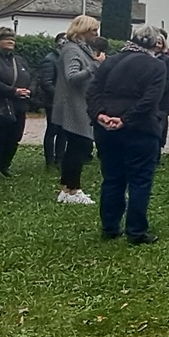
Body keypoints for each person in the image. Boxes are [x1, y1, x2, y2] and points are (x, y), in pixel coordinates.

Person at [87, 24, 168, 244]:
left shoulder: (110, 61)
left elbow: (93, 91)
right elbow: (150, 99)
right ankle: (136, 231)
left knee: (112, 178)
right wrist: (125, 119)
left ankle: (110, 227)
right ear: (154, 43)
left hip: (106, 128)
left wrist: (100, 115)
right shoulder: (156, 65)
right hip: (140, 129)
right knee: (140, 181)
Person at [53, 14, 103, 205]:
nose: (96, 34)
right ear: (82, 31)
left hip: (81, 103)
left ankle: (67, 189)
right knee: (78, 146)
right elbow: (72, 77)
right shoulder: (72, 50)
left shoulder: (82, 49)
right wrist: (95, 65)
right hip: (73, 105)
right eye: (93, 30)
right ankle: (72, 190)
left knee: (78, 146)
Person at [0, 27, 32, 177]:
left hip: (20, 104)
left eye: (12, 39)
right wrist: (12, 91)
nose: (10, 41)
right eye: (6, 39)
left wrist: (29, 90)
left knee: (15, 137)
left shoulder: (19, 60)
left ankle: (4, 165)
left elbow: (31, 76)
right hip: (1, 104)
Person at [36, 33, 67, 168]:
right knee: (52, 130)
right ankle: (50, 160)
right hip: (53, 102)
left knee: (63, 131)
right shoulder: (50, 59)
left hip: (66, 101)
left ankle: (60, 158)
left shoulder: (66, 59)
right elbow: (46, 83)